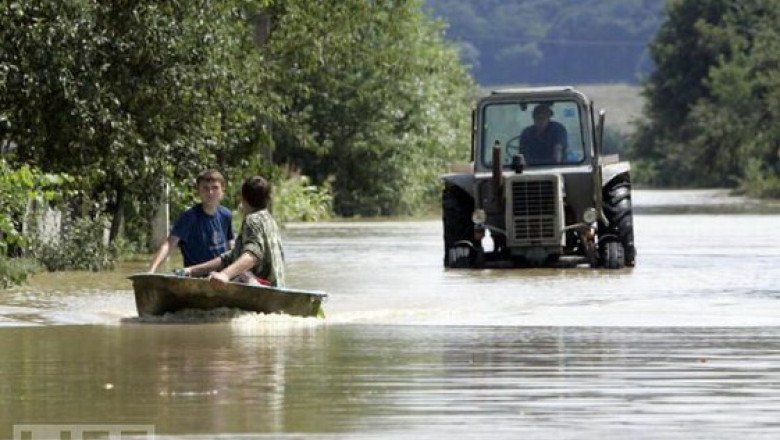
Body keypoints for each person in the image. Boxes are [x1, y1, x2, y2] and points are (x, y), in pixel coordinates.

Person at [181, 175, 286, 288]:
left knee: (239, 275)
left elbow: (253, 255)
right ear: (268, 199)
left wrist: (225, 275)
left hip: (264, 290)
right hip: (277, 287)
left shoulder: (252, 220)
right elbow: (230, 257)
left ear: (244, 199)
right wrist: (192, 270)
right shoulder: (269, 219)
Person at [148, 169, 235, 272]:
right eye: (205, 188)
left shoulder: (226, 215)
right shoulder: (189, 217)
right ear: (198, 191)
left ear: (222, 190)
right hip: (195, 275)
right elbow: (169, 244)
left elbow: (231, 245)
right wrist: (151, 270)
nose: (210, 192)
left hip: (221, 274)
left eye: (215, 188)